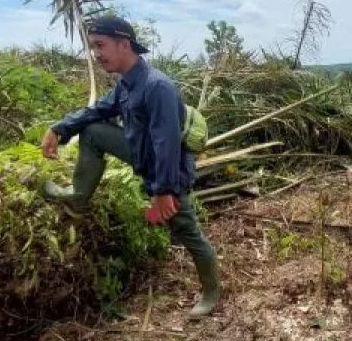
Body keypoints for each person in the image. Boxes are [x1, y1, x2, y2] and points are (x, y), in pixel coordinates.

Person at [39, 16, 221, 318]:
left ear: (124, 45)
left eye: (101, 45)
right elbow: (99, 110)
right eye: (92, 47)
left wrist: (163, 191)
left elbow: (168, 145)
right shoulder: (126, 83)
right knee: (94, 131)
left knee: (187, 232)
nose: (96, 53)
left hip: (168, 170)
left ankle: (212, 292)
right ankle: (78, 195)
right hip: (142, 154)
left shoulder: (156, 87)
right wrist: (59, 128)